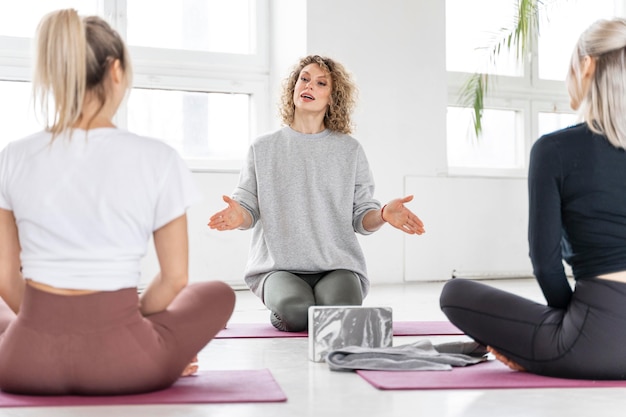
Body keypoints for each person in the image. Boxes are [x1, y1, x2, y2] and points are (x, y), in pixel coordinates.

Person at [0, 9, 235, 395]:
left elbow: (6, 277)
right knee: (217, 294)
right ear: (115, 70)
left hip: (22, 365)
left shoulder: (13, 155)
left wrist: (48, 325)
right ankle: (164, 347)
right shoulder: (158, 158)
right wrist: (135, 324)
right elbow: (175, 278)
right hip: (126, 364)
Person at [440, 17, 626, 380]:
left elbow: (545, 262)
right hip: (599, 334)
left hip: (593, 344)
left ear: (587, 66)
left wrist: (563, 320)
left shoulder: (554, 149)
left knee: (454, 292)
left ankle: (545, 349)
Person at [208, 55, 425, 332]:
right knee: (298, 314)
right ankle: (286, 310)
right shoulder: (263, 148)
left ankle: (321, 307)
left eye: (321, 83)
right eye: (304, 79)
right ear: (294, 88)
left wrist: (382, 214)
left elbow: (361, 218)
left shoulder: (350, 150)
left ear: (332, 98)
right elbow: (247, 207)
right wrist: (239, 215)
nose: (309, 86)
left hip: (337, 266)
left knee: (339, 313)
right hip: (279, 267)